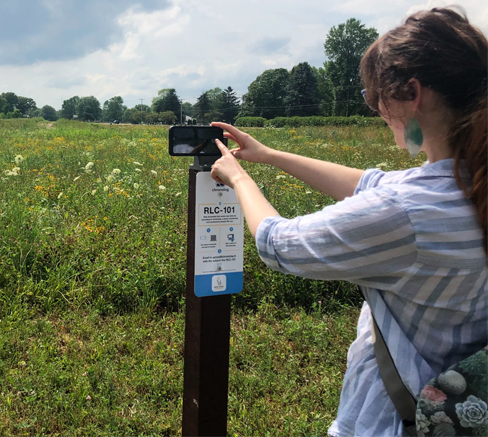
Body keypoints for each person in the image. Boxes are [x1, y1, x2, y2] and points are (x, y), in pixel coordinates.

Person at [208, 7, 487, 437]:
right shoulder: (467, 182)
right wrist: (270, 155)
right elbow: (368, 184)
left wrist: (238, 177)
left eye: (376, 97)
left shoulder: (408, 211)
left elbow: (277, 242)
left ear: (412, 93)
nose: (377, 109)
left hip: (396, 420)